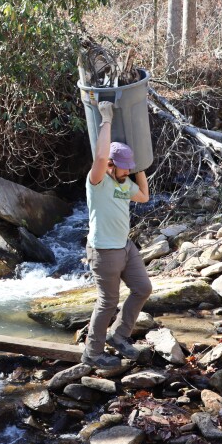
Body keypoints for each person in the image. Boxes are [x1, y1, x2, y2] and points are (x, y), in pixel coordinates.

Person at [82, 100, 152, 369]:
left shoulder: (124, 183)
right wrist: (106, 119)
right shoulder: (97, 181)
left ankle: (119, 335)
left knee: (143, 289)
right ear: (111, 165)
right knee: (108, 302)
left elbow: (144, 197)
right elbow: (100, 158)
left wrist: (140, 167)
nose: (128, 171)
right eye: (125, 167)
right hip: (104, 251)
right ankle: (92, 353)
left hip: (125, 247)